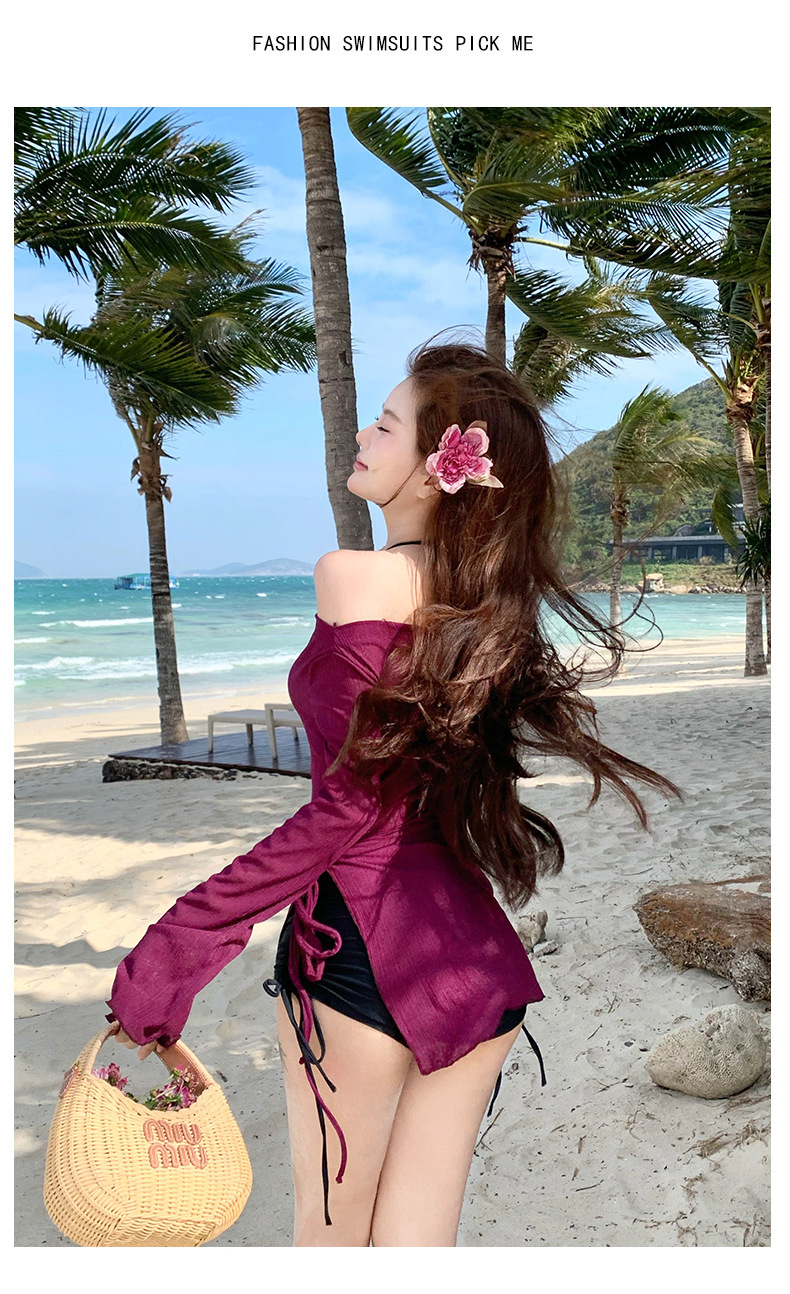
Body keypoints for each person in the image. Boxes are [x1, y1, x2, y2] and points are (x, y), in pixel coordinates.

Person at [107, 339, 681, 1247]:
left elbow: (350, 808)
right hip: (472, 960)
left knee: (332, 1242)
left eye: (384, 425)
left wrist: (179, 944)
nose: (364, 438)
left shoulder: (354, 574)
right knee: (416, 1247)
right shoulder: (481, 605)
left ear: (440, 466)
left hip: (358, 961)